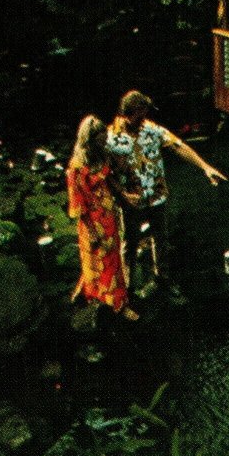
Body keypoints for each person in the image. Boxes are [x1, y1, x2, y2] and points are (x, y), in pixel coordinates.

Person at [106, 90, 227, 303]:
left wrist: (205, 167)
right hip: (131, 201)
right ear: (127, 114)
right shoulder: (110, 138)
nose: (144, 120)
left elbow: (178, 146)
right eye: (140, 116)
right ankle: (127, 287)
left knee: (160, 239)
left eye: (145, 115)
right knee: (129, 243)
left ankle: (163, 280)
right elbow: (102, 173)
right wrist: (121, 194)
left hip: (156, 196)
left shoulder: (151, 130)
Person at [66, 114, 139, 321]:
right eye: (101, 139)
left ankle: (112, 300)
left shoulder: (100, 156)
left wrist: (125, 196)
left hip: (108, 216)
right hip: (91, 221)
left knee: (113, 260)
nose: (105, 142)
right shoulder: (77, 168)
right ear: (89, 139)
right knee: (96, 261)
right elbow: (78, 204)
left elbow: (109, 181)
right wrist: (91, 231)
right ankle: (112, 303)